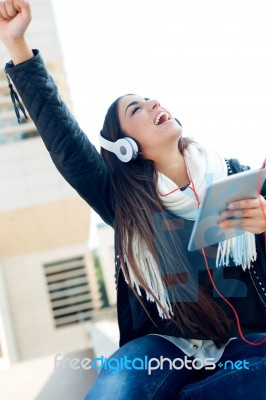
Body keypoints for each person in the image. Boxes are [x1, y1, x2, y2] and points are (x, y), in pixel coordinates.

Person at [0, 1, 266, 399]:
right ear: (126, 148)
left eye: (150, 99)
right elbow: (65, 141)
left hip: (243, 341)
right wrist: (17, 43)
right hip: (162, 346)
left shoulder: (234, 174)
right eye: (136, 109)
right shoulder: (122, 202)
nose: (154, 103)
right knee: (119, 385)